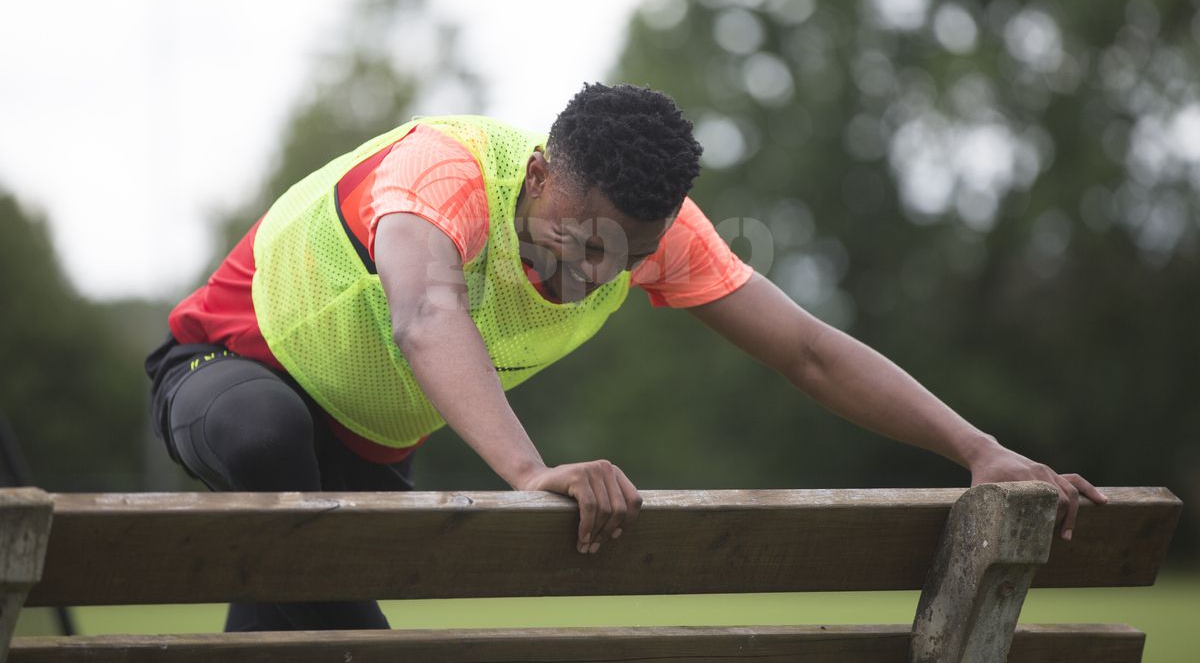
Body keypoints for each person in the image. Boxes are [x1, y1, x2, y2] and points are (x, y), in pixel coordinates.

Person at [145, 82, 1104, 632]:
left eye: (631, 255)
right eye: (585, 238)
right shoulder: (441, 174)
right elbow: (425, 313)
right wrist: (529, 471)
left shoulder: (658, 239)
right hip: (220, 377)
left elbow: (810, 352)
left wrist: (980, 451)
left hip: (360, 459)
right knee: (270, 436)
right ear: (542, 176)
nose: (597, 272)